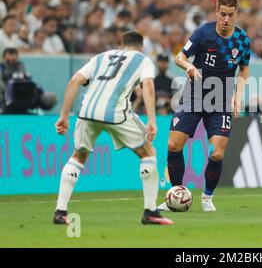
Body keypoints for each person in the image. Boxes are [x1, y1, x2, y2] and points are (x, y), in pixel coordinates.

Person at [53, 30, 173, 225]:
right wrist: (152, 120)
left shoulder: (101, 56)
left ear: (121, 44)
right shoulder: (143, 59)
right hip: (115, 112)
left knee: (78, 156)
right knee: (148, 153)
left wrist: (64, 116)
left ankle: (60, 212)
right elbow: (148, 86)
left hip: (87, 111)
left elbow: (75, 81)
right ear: (140, 47)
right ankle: (150, 212)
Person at [158, 0, 251, 212]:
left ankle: (207, 198)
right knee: (173, 145)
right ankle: (176, 192)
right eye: (222, 14)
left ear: (236, 14)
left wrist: (238, 95)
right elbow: (179, 57)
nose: (226, 19)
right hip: (195, 94)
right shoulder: (203, 32)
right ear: (216, 12)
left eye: (230, 15)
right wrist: (188, 67)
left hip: (220, 99)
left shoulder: (242, 40)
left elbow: (244, 69)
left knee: (217, 153)